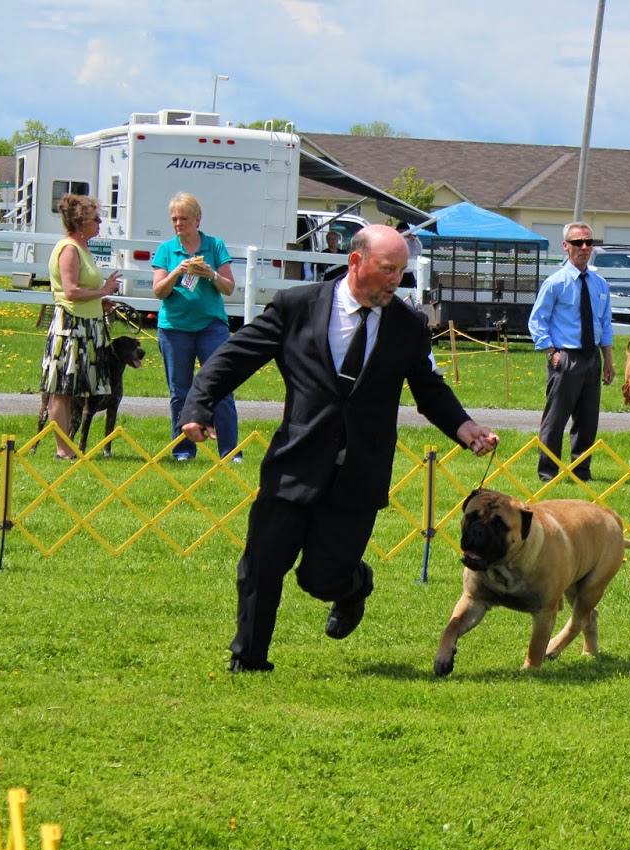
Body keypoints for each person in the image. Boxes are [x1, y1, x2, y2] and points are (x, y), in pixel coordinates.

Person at [179, 225, 499, 673]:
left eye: (401, 271)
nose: (396, 280)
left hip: (359, 473)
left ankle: (355, 584)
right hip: (296, 460)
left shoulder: (408, 325)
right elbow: (235, 357)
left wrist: (465, 427)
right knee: (261, 564)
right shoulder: (297, 306)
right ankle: (248, 659)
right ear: (355, 261)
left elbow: (428, 388)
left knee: (321, 578)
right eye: (387, 269)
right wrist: (199, 406)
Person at [151, 192, 239, 462]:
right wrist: (176, 272)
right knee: (180, 391)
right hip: (174, 328)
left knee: (221, 386)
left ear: (197, 219)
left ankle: (230, 452)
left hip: (211, 327)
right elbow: (159, 292)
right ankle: (183, 451)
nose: (178, 224)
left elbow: (229, 288)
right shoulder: (166, 250)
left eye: (184, 219)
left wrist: (211, 274)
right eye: (174, 219)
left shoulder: (214, 245)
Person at [529, 221, 614, 482]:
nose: (584, 247)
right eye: (578, 242)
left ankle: (581, 473)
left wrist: (608, 361)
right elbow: (537, 321)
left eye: (589, 242)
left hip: (591, 357)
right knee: (555, 420)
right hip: (565, 357)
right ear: (566, 246)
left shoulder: (600, 284)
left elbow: (605, 324)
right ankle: (548, 473)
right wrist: (552, 352)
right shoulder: (555, 283)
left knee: (588, 421)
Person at [42, 193, 121, 460]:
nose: (100, 223)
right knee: (62, 390)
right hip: (70, 327)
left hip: (86, 325)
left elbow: (83, 291)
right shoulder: (69, 249)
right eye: (95, 219)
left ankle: (67, 447)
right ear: (80, 222)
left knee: (73, 388)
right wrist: (104, 290)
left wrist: (100, 303)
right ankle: (63, 449)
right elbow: (71, 291)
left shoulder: (83, 248)